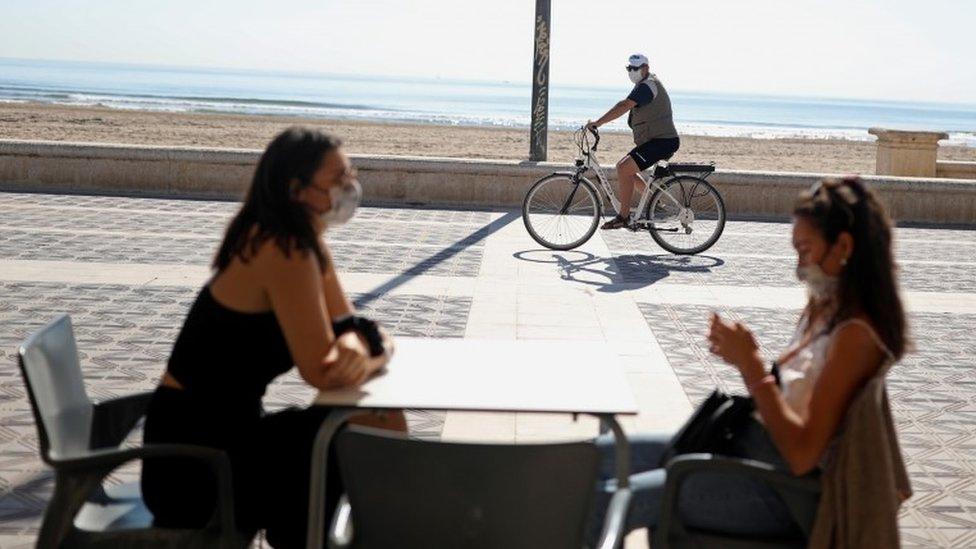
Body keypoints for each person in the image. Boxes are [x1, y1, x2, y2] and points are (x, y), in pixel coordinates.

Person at [586, 176, 911, 545]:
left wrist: (751, 365)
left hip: (783, 491)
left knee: (614, 499)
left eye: (805, 250)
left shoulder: (856, 336)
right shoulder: (826, 308)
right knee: (594, 461)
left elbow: (803, 455)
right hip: (750, 452)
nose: (799, 265)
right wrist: (744, 356)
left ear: (844, 246)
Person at [140, 127, 405, 548]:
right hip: (193, 463)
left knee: (374, 424)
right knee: (366, 431)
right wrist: (370, 351)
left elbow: (349, 325)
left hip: (227, 436)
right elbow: (323, 370)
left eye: (350, 174)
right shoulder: (283, 250)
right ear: (297, 189)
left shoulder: (304, 241)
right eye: (337, 179)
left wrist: (363, 344)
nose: (349, 188)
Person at [587, 53, 680, 230]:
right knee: (622, 167)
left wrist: (598, 123)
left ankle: (623, 216)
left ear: (646, 68)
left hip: (663, 142)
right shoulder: (643, 85)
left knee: (624, 168)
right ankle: (654, 201)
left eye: (636, 68)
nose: (632, 71)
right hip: (657, 141)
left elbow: (623, 106)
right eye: (629, 68)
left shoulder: (647, 86)